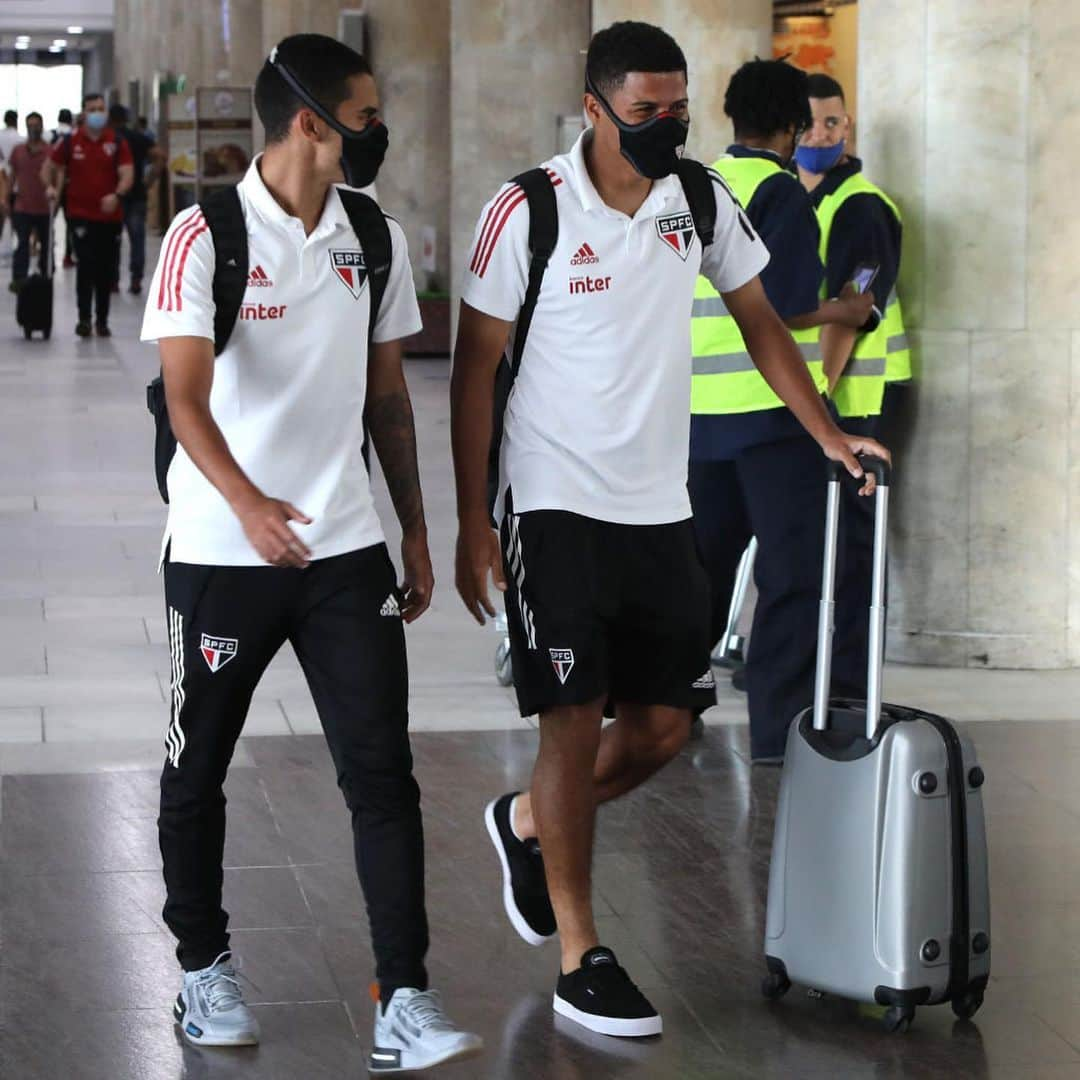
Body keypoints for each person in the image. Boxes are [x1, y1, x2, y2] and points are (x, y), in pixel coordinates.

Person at [451, 21, 889, 1039]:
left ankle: (525, 826)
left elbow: (760, 318)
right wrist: (475, 519)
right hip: (554, 501)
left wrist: (824, 433)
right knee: (573, 712)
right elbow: (476, 367)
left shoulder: (698, 201)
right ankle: (579, 951)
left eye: (677, 110)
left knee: (665, 728)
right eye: (644, 112)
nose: (665, 126)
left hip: (660, 505)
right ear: (594, 106)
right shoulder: (529, 209)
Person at [139, 33, 482, 1073]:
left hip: (343, 553)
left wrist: (418, 530)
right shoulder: (204, 238)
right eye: (367, 115)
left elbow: (387, 395)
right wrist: (245, 506)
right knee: (196, 769)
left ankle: (404, 997)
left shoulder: (369, 234)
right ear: (309, 122)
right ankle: (203, 966)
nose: (379, 131)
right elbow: (186, 398)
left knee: (382, 774)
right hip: (219, 555)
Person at [688, 58, 876, 760]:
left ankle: (668, 709)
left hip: (696, 419)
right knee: (792, 576)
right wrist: (848, 309)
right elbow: (787, 306)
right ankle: (779, 731)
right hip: (772, 419)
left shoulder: (697, 185)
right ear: (794, 127)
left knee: (700, 570)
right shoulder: (780, 193)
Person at [795, 72, 906, 700]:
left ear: (849, 127)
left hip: (853, 402)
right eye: (810, 123)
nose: (821, 135)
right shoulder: (801, 200)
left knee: (855, 548)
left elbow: (852, 309)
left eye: (833, 123)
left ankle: (847, 685)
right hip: (822, 403)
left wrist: (819, 405)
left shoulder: (859, 206)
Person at [42, 94, 133, 336]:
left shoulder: (116, 142)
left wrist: (117, 195)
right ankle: (84, 318)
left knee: (105, 269)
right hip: (79, 214)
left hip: (109, 217)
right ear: (84, 113)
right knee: (85, 266)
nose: (97, 113)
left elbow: (127, 173)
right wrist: (50, 187)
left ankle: (102, 320)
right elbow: (48, 169)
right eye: (92, 109)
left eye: (101, 109)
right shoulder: (70, 141)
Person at [108, 102, 162, 294]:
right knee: (137, 239)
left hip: (113, 196)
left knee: (111, 240)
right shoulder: (138, 138)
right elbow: (160, 156)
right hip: (137, 194)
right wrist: (149, 180)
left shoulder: (109, 140)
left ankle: (112, 280)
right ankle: (136, 279)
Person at [8, 112, 52, 290]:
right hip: (22, 206)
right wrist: (6, 198)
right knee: (22, 244)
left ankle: (45, 277)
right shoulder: (18, 151)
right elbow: (12, 176)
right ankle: (19, 279)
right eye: (30, 125)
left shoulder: (50, 151)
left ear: (42, 126)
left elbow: (57, 175)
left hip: (44, 207)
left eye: (36, 125)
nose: (33, 129)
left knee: (46, 246)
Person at [51, 109, 76, 268]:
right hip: (69, 186)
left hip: (53, 186)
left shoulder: (51, 135)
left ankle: (46, 252)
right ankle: (67, 255)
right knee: (70, 223)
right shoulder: (73, 137)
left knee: (48, 221)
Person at [0, 109, 24, 258]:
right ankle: (21, 244)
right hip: (16, 184)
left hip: (1, 180)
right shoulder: (20, 139)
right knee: (17, 218)